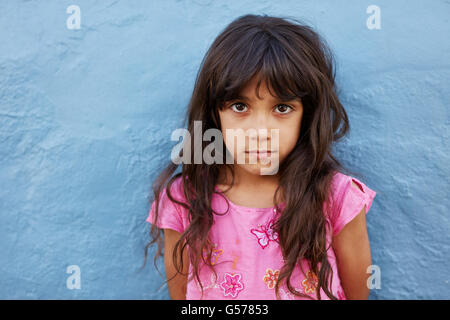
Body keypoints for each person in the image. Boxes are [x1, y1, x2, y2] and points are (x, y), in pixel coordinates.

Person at [143, 14, 377, 300]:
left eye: (282, 108)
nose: (259, 132)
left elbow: (357, 295)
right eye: (240, 106)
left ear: (307, 115)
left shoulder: (337, 198)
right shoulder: (185, 200)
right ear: (215, 112)